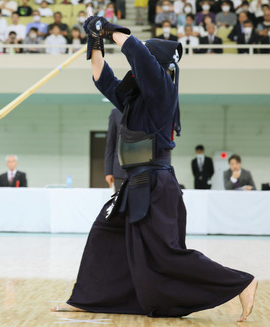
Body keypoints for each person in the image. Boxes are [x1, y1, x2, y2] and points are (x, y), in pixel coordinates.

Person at [51, 15, 257, 322]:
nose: (138, 67)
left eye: (146, 59)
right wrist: (95, 41)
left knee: (166, 255)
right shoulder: (134, 100)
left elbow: (138, 54)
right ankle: (86, 298)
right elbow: (101, 77)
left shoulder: (163, 91)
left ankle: (242, 281)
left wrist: (110, 30)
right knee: (104, 234)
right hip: (135, 184)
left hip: (156, 185)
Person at [104, 108, 127, 191]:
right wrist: (108, 171)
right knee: (120, 202)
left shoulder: (144, 110)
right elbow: (110, 144)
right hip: (119, 171)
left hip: (141, 170)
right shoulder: (116, 112)